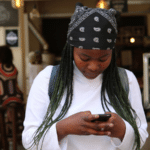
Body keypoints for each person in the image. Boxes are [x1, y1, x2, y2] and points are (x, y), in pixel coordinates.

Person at [22, 3, 149, 150]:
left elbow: (141, 136)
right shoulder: (48, 79)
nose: (94, 66)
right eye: (85, 58)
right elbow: (29, 140)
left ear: (112, 54)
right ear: (71, 50)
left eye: (103, 58)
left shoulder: (126, 80)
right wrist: (63, 128)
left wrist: (122, 131)